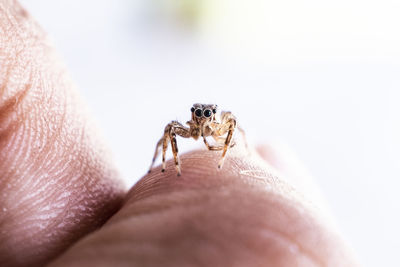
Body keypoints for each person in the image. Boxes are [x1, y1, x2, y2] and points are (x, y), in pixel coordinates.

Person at [0, 1, 358, 266]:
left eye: (204, 115)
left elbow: (232, 126)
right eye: (197, 115)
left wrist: (228, 152)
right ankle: (166, 162)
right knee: (171, 135)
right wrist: (166, 160)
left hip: (225, 161)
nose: (199, 119)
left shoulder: (220, 122)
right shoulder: (188, 124)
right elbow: (173, 131)